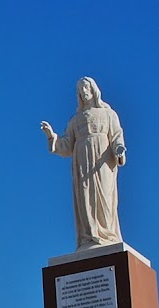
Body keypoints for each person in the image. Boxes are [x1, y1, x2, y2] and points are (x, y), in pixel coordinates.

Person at [41, 77, 127, 250]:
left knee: (104, 195)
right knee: (85, 197)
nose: (84, 92)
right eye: (80, 89)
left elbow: (117, 135)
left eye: (86, 88)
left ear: (94, 90)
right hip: (81, 161)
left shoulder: (108, 114)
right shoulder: (75, 120)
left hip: (102, 159)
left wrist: (119, 149)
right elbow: (66, 146)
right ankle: (89, 237)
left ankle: (107, 234)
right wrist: (51, 136)